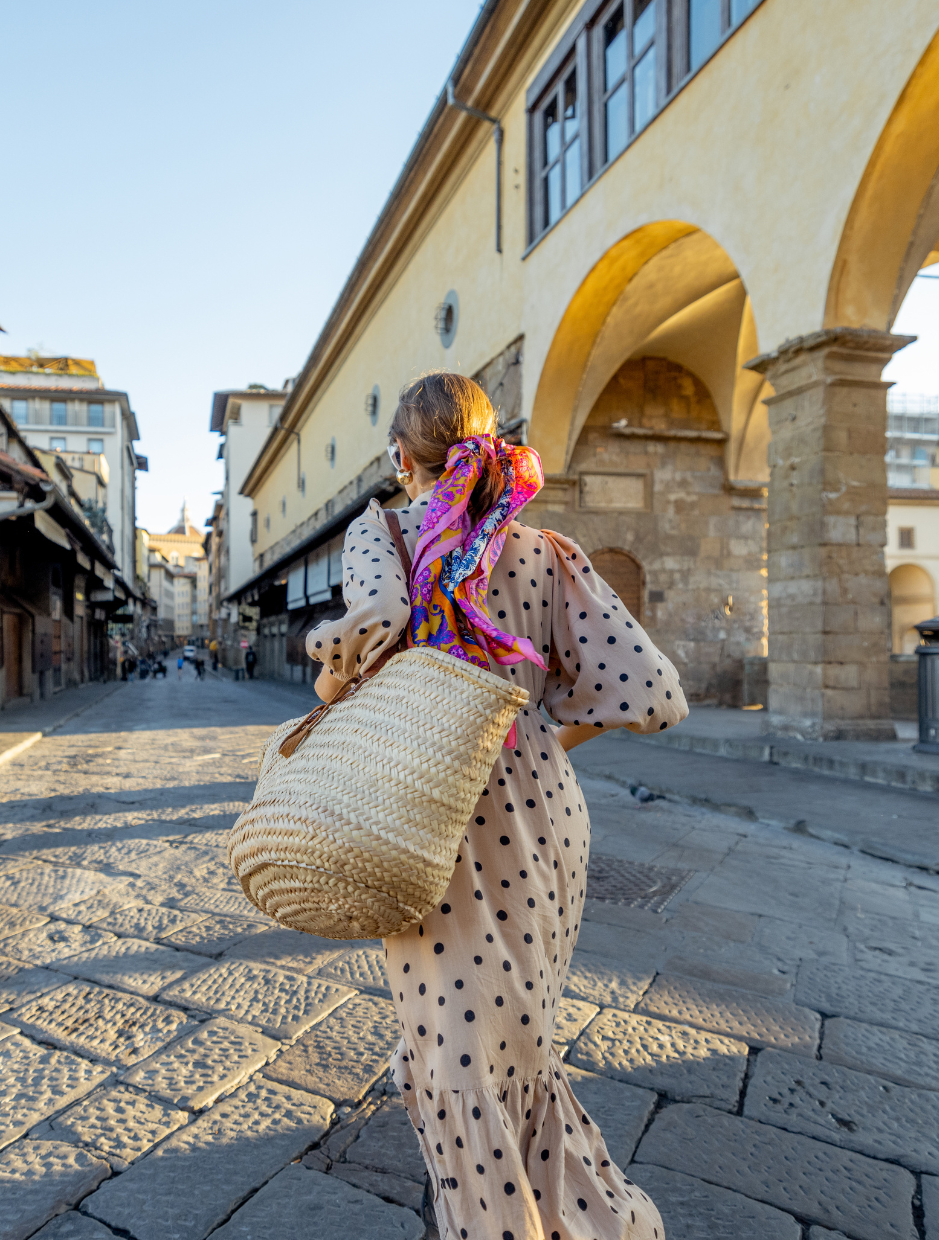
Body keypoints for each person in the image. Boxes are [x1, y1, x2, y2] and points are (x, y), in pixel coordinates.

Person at [305, 372, 684, 1240]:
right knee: (512, 1056)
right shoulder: (547, 552)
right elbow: (652, 692)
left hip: (435, 825)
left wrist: (331, 672)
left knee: (457, 1066)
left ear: (401, 457)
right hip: (543, 819)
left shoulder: (387, 532)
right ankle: (590, 1224)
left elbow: (368, 638)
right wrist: (533, 735)